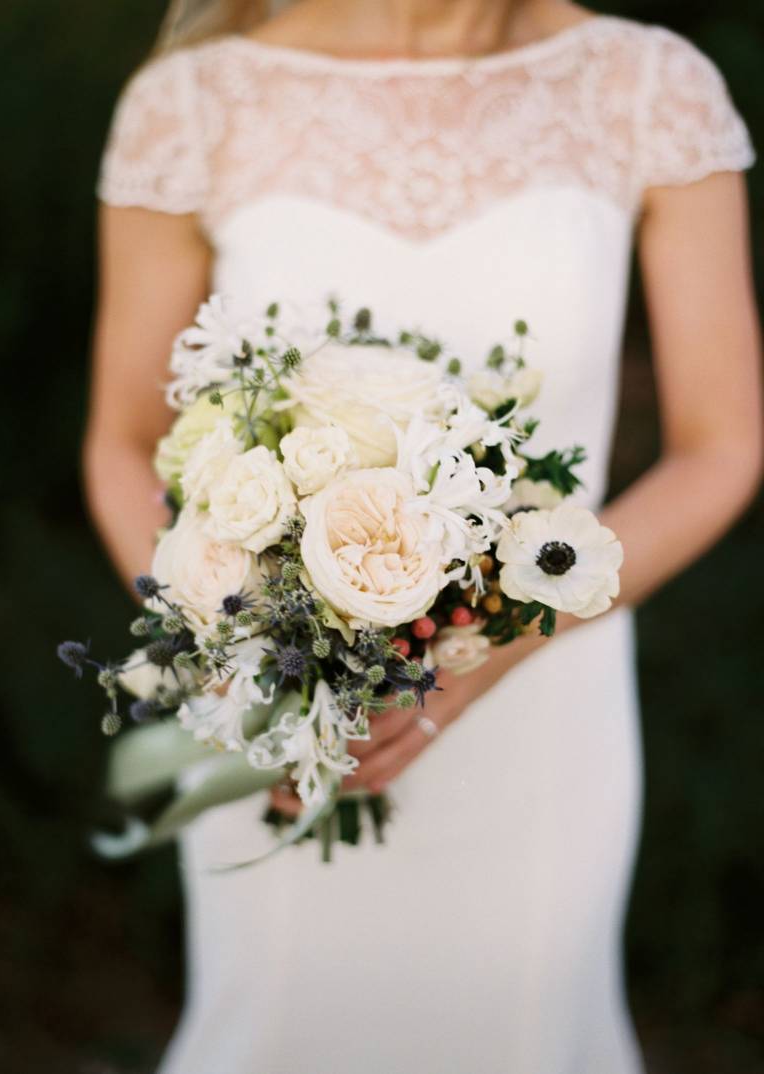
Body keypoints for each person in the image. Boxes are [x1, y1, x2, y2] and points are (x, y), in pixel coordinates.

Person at [84, 2, 762, 1071]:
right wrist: (235, 641)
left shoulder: (646, 90)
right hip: (279, 718)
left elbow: (718, 448)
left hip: (540, 705)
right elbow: (123, 442)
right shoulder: (192, 102)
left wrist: (496, 638)